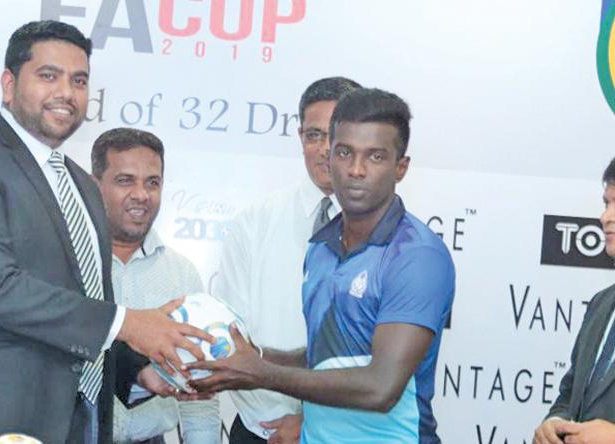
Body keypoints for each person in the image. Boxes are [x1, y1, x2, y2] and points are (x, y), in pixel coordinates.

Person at [0, 21, 211, 444]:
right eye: (49, 75)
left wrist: (137, 371)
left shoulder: (83, 185)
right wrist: (128, 323)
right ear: (9, 85)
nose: (66, 92)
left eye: (79, 80)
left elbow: (81, 304)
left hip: (75, 425)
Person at [190, 88, 456, 444]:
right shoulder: (322, 246)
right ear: (329, 157)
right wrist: (259, 357)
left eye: (375, 157)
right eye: (345, 153)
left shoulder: (417, 256)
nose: (356, 170)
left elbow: (380, 387)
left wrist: (261, 374)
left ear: (401, 167)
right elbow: (326, 355)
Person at [213, 77, 361, 443]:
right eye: (313, 135)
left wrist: (315, 423)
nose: (325, 149)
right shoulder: (254, 222)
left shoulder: (392, 235)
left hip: (351, 433)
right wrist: (275, 421)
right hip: (261, 431)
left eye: (335, 135)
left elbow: (379, 359)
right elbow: (234, 340)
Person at [91, 128, 221, 443]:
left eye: (153, 182)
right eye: (125, 180)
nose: (141, 194)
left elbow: (199, 390)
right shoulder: (66, 263)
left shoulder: (181, 274)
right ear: (95, 186)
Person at [532, 158, 615, 444]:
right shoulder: (601, 305)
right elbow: (570, 394)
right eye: (607, 203)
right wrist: (554, 423)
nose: (605, 217)